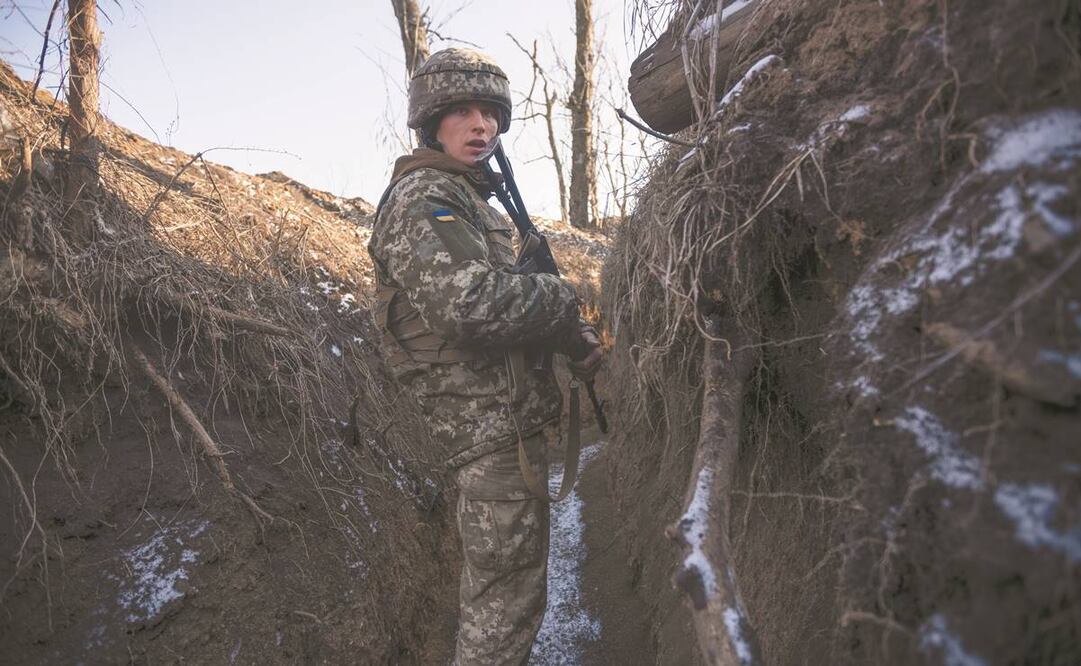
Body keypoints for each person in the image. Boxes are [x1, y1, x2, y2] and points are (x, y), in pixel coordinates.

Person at [366, 48, 603, 664]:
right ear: (431, 121)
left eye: (492, 114)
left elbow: (508, 306)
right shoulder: (425, 197)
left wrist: (567, 337)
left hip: (507, 427)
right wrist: (561, 296)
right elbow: (469, 306)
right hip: (486, 432)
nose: (482, 127)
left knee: (512, 598)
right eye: (464, 112)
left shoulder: (473, 201)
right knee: (502, 611)